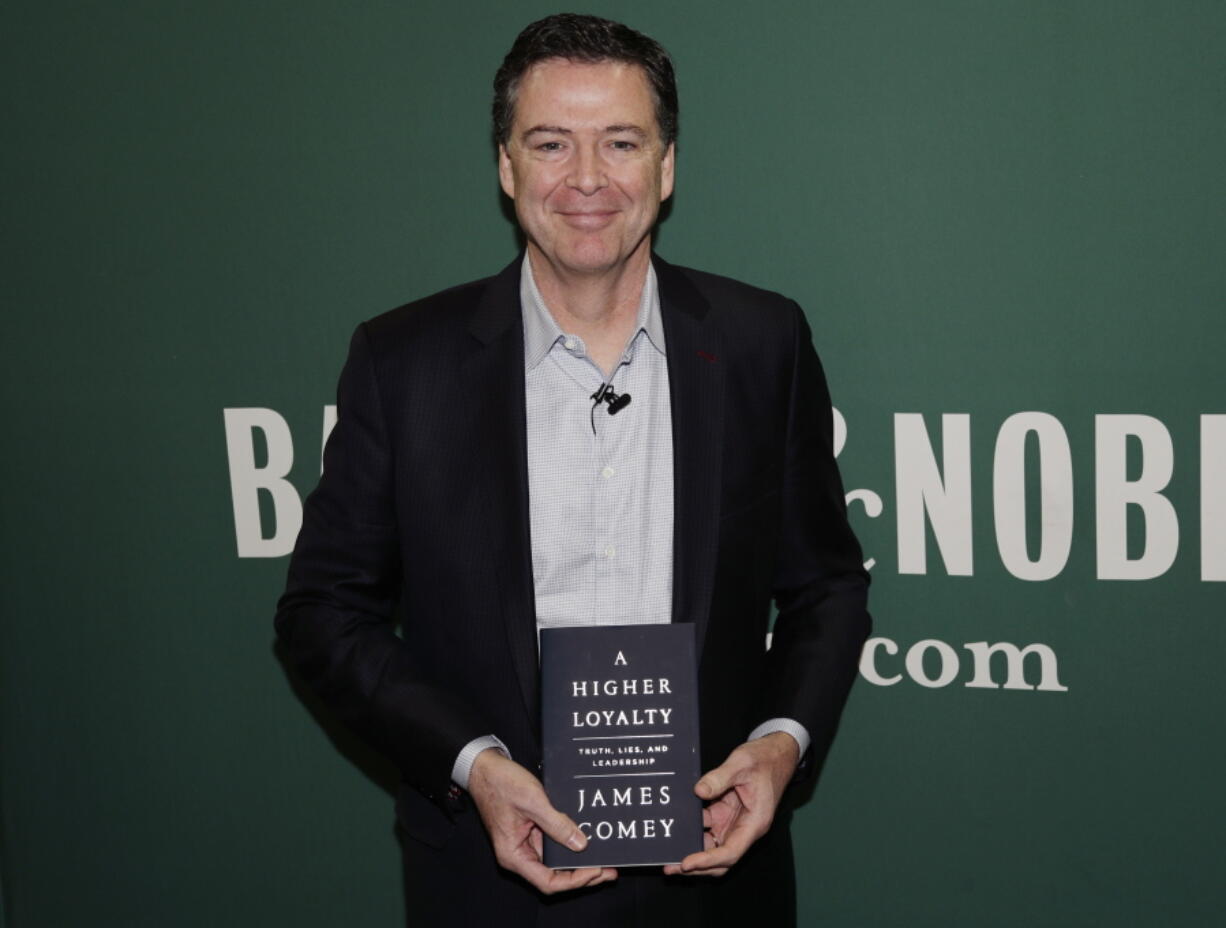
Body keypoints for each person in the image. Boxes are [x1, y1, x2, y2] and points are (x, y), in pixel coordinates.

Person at [275, 13, 870, 927]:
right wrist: (472, 765)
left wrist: (780, 744)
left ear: (665, 168)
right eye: (550, 143)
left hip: (715, 882)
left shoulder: (762, 343)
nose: (586, 179)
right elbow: (321, 613)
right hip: (487, 880)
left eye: (620, 143)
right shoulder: (405, 364)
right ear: (507, 168)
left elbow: (827, 585)